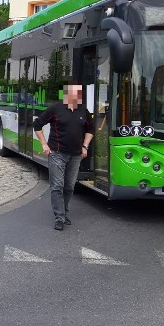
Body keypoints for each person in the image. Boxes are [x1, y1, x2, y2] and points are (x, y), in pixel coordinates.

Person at [33, 83, 94, 231]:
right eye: (76, 93)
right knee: (57, 185)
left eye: (79, 94)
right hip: (57, 153)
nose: (78, 96)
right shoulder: (56, 109)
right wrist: (44, 144)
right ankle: (59, 217)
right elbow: (37, 125)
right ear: (68, 94)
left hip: (75, 155)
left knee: (69, 186)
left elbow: (90, 129)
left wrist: (85, 146)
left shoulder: (83, 110)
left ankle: (64, 212)